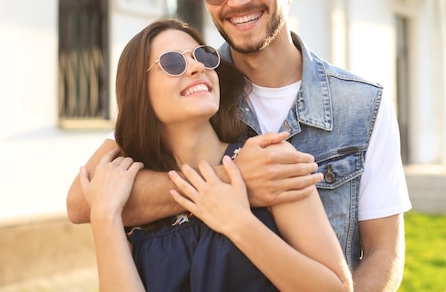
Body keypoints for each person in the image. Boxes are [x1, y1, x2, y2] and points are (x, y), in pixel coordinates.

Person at [67, 0, 411, 291]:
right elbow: (83, 203)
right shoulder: (199, 93)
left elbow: (384, 252)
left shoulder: (362, 105)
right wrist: (233, 178)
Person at [78, 18, 353, 292]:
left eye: (204, 56)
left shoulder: (268, 162)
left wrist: (239, 224)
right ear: (140, 91)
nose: (197, 67)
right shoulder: (125, 196)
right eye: (173, 63)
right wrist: (104, 218)